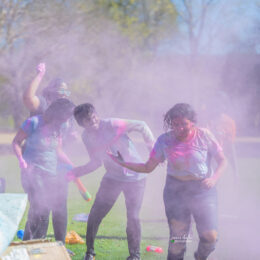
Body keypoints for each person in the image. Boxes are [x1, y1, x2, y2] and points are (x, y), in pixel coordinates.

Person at [109, 103, 227, 260]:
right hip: (175, 191)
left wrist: (213, 178)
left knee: (210, 237)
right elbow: (147, 167)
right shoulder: (164, 140)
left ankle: (200, 256)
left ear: (192, 122)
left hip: (203, 190)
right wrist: (122, 163)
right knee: (178, 239)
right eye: (175, 124)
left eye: (184, 124)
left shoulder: (204, 135)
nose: (179, 128)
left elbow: (222, 160)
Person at [66, 103, 155, 260]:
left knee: (133, 216)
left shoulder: (113, 124)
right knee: (95, 215)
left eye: (94, 117)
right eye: (88, 120)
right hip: (112, 178)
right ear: (81, 124)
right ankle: (90, 253)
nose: (94, 121)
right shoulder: (86, 137)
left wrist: (152, 149)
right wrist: (77, 171)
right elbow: (96, 162)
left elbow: (142, 125)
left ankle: (135, 256)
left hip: (135, 177)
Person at [12, 98, 75, 243]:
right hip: (32, 172)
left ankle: (36, 245)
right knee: (39, 209)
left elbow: (58, 150)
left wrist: (73, 166)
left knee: (45, 211)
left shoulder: (62, 126)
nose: (63, 122)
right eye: (62, 119)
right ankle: (29, 243)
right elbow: (16, 142)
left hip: (51, 173)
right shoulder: (33, 122)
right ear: (54, 114)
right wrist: (21, 160)